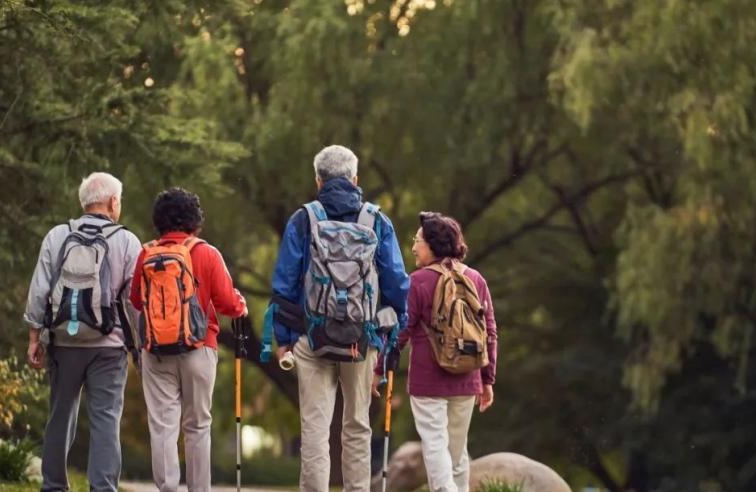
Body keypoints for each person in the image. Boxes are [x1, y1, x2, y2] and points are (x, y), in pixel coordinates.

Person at [264, 145, 410, 491]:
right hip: (363, 339)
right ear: (355, 179)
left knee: (314, 426)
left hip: (310, 337)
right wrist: (387, 345)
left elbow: (284, 284)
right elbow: (397, 288)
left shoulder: (303, 218)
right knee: (357, 425)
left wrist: (283, 340)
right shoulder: (377, 220)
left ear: (318, 181)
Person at [24, 172, 142, 492]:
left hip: (63, 341)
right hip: (109, 346)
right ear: (113, 202)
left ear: (84, 202)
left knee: (60, 415)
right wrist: (140, 346)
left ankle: (53, 486)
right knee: (105, 419)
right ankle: (102, 488)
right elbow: (135, 303)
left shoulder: (58, 235)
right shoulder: (127, 241)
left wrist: (35, 336)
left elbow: (40, 290)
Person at [129, 187, 247, 492]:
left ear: (159, 220)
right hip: (199, 348)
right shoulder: (206, 253)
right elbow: (227, 304)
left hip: (156, 351)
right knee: (197, 425)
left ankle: (167, 488)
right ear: (195, 219)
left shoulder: (146, 253)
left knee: (163, 426)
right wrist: (241, 304)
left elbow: (136, 301)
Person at [373, 211, 498, 492]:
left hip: (428, 381)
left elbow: (401, 332)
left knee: (435, 445)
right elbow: (490, 330)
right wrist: (488, 379)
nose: (414, 247)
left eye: (417, 241)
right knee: (457, 450)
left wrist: (379, 369)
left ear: (432, 244)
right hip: (468, 378)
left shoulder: (417, 281)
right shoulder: (476, 279)